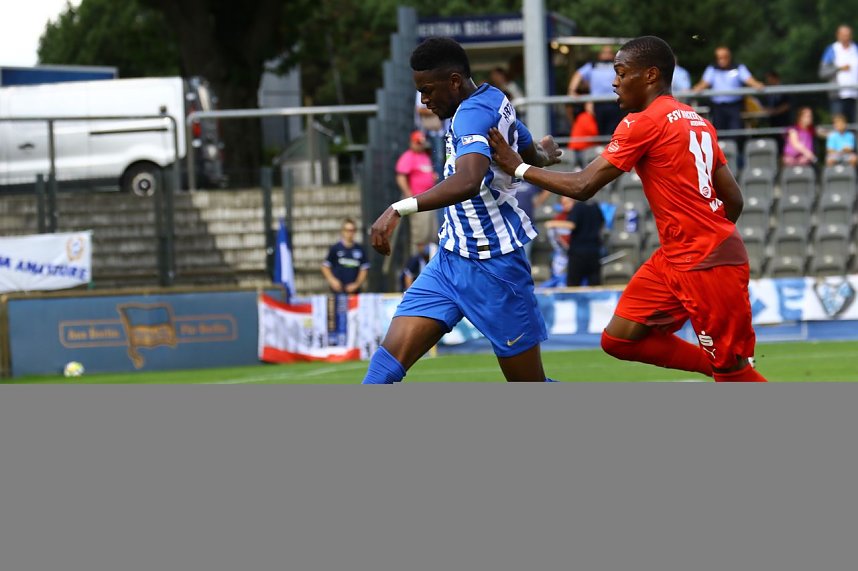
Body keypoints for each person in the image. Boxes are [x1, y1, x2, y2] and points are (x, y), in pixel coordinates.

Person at [489, 35, 767, 382]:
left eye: (621, 72)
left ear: (650, 75)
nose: (614, 82)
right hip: (678, 257)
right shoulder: (697, 120)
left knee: (734, 373)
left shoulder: (644, 121)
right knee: (619, 339)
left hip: (703, 262)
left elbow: (583, 186)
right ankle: (718, 365)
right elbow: (734, 200)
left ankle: (729, 370)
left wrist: (518, 167)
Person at [362, 37, 562, 384]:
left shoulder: (469, 115)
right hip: (449, 261)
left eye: (427, 91)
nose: (424, 101)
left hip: (496, 268)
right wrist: (545, 154)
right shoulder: (495, 99)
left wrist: (398, 207)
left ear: (454, 81)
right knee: (381, 372)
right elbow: (527, 152)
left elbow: (469, 180)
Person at [692, 46, 765, 133]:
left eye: (724, 57)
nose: (721, 60)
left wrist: (757, 84)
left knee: (736, 132)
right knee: (719, 132)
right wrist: (697, 88)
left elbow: (749, 80)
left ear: (729, 57)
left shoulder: (738, 67)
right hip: (718, 107)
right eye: (719, 58)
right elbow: (704, 83)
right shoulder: (712, 68)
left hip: (735, 106)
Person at [396, 130, 439, 254]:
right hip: (418, 201)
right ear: (412, 143)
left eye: (421, 143)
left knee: (432, 234)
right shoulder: (408, 156)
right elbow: (401, 176)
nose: (420, 145)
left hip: (430, 200)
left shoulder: (425, 156)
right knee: (421, 236)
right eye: (418, 143)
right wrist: (409, 194)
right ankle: (417, 264)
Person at [568, 45, 626, 136]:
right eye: (604, 52)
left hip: (614, 102)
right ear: (600, 54)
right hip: (597, 103)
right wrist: (572, 91)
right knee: (598, 130)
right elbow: (578, 75)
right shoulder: (592, 65)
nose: (607, 55)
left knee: (614, 130)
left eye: (609, 53)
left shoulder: (617, 65)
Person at [819, 25, 858, 125]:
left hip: (854, 96)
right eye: (844, 35)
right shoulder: (831, 50)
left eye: (848, 35)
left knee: (854, 128)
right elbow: (822, 72)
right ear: (838, 35)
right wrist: (838, 68)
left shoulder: (856, 49)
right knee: (839, 127)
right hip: (837, 97)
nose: (846, 38)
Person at [320, 218, 370, 294]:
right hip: (337, 291)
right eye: (347, 230)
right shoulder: (335, 248)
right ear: (342, 231)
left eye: (352, 230)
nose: (349, 233)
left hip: (354, 292)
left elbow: (364, 269)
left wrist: (356, 284)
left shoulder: (360, 249)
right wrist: (332, 281)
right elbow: (325, 266)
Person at [565, 198, 605, 287]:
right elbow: (602, 223)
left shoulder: (577, 207)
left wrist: (552, 223)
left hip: (578, 252)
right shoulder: (595, 206)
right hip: (594, 251)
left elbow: (572, 225)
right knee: (595, 285)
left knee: (573, 286)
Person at [567, 100, 600, 169]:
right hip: (580, 147)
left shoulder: (583, 116)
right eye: (591, 106)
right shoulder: (586, 117)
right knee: (582, 168)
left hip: (580, 146)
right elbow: (593, 132)